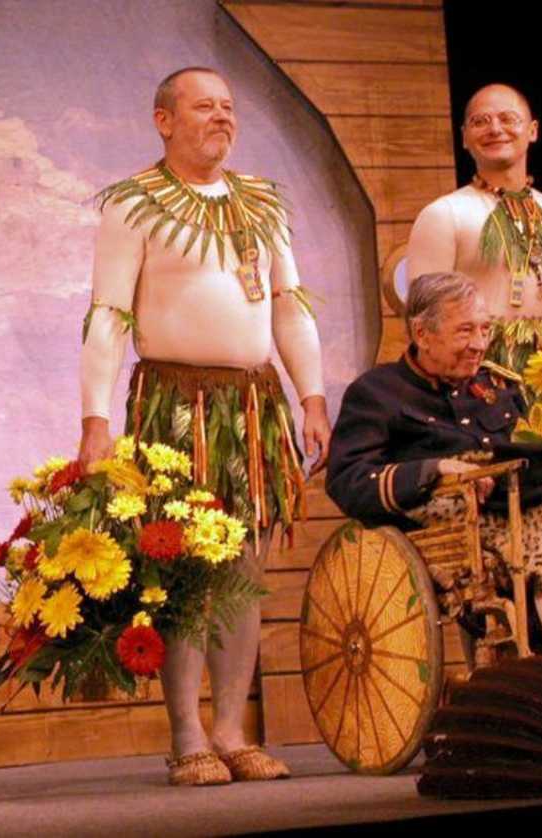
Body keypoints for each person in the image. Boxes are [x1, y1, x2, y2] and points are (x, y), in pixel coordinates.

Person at [78, 67, 330, 785]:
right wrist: (96, 419)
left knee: (245, 569)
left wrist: (312, 397)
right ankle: (187, 733)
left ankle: (231, 730)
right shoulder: (134, 204)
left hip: (254, 406)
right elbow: (108, 315)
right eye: (203, 107)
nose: (221, 117)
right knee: (184, 569)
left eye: (227, 107)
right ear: (164, 120)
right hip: (176, 405)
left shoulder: (262, 203)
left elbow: (288, 305)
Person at [327, 271, 542, 665]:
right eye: (465, 331)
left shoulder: (496, 386)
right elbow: (347, 479)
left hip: (517, 506)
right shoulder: (376, 393)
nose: (479, 344)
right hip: (451, 520)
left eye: (485, 329)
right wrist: (433, 469)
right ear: (422, 334)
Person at [406, 83, 542, 468]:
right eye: (481, 121)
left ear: (533, 130)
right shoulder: (443, 215)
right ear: (464, 137)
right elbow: (424, 323)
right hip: (480, 387)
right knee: (498, 491)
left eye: (508, 119)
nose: (495, 128)